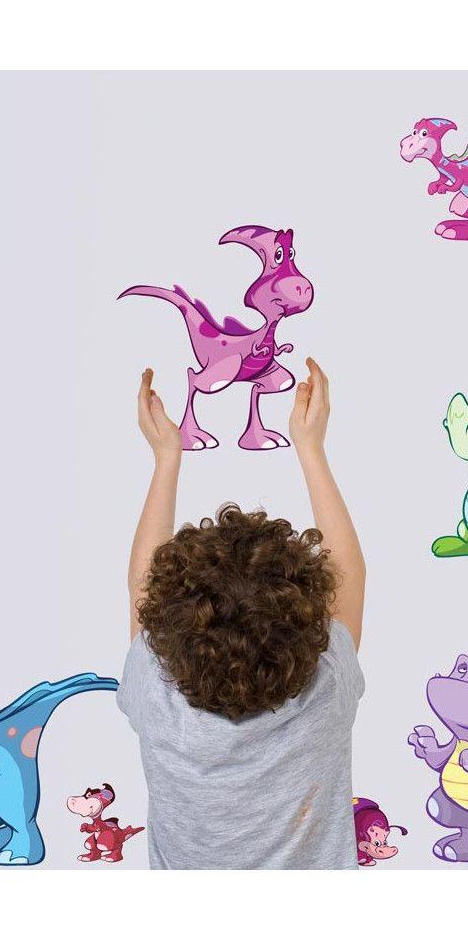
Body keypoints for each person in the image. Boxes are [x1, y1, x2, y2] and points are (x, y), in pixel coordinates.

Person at [117, 358, 366, 868]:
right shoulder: (326, 692)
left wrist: (166, 459)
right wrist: (311, 448)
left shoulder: (157, 699)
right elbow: (349, 574)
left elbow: (141, 588)